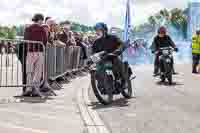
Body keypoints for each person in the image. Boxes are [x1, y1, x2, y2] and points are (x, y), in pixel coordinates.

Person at [23, 13, 47, 97]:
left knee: (29, 71)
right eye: (42, 20)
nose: (42, 22)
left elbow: (25, 39)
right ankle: (35, 89)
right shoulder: (42, 29)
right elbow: (45, 41)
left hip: (30, 51)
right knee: (38, 71)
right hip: (40, 51)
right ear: (40, 20)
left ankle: (28, 88)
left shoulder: (28, 28)